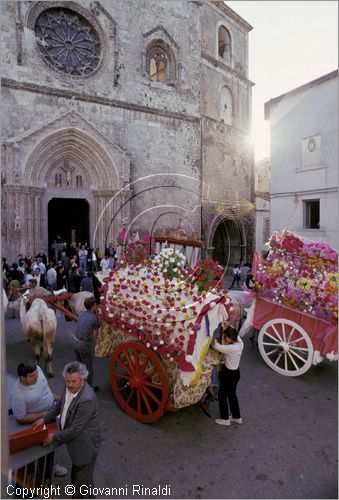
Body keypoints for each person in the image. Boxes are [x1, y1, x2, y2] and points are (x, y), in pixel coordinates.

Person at [33, 361, 101, 499]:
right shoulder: (69, 386)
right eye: (67, 381)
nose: (69, 385)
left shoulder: (87, 399)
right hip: (76, 442)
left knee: (79, 483)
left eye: (74, 381)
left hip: (85, 446)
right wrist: (44, 419)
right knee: (85, 481)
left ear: (83, 379)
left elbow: (75, 429)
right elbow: (59, 405)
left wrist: (53, 438)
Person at [10, 360, 67, 477]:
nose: (36, 376)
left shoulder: (37, 370)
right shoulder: (18, 395)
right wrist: (43, 415)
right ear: (23, 377)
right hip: (39, 419)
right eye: (32, 376)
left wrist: (55, 397)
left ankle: (50, 467)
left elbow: (45, 385)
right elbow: (20, 419)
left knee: (53, 442)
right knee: (44, 446)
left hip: (51, 410)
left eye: (36, 372)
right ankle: (44, 476)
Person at [212, 325, 243, 426]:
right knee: (232, 395)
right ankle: (236, 417)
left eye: (226, 337)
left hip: (228, 374)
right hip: (236, 373)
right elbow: (236, 335)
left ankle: (225, 419)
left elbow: (216, 346)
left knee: (222, 395)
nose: (225, 339)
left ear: (230, 338)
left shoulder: (231, 348)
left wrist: (212, 336)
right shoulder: (240, 343)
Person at [73, 297, 100, 390]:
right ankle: (88, 389)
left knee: (80, 367)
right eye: (96, 304)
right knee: (88, 368)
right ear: (93, 306)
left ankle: (80, 386)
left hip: (76, 342)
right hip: (85, 344)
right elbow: (95, 335)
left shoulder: (81, 314)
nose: (97, 306)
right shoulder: (94, 318)